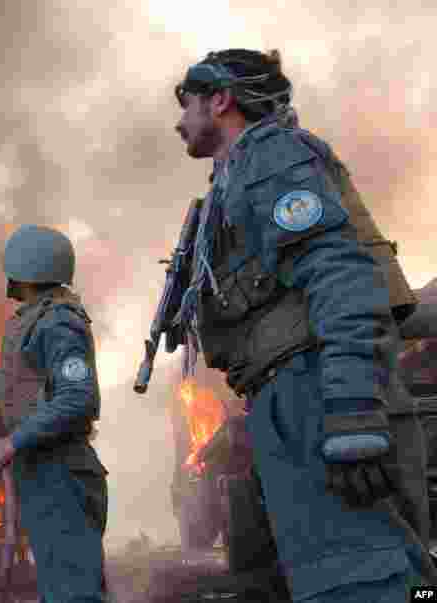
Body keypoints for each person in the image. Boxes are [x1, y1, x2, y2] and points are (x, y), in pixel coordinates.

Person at [170, 48, 435, 601]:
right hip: (286, 391)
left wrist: (351, 410)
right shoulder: (237, 174)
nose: (179, 120)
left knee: (360, 575)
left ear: (220, 100)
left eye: (187, 102)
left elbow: (339, 276)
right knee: (332, 573)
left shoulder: (271, 157)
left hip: (313, 387)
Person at [0, 224, 108, 602]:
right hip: (45, 474)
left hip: (60, 473)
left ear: (25, 270)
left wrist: (13, 442)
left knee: (72, 593)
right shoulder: (39, 321)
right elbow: (18, 387)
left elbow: (77, 398)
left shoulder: (58, 323)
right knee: (60, 589)